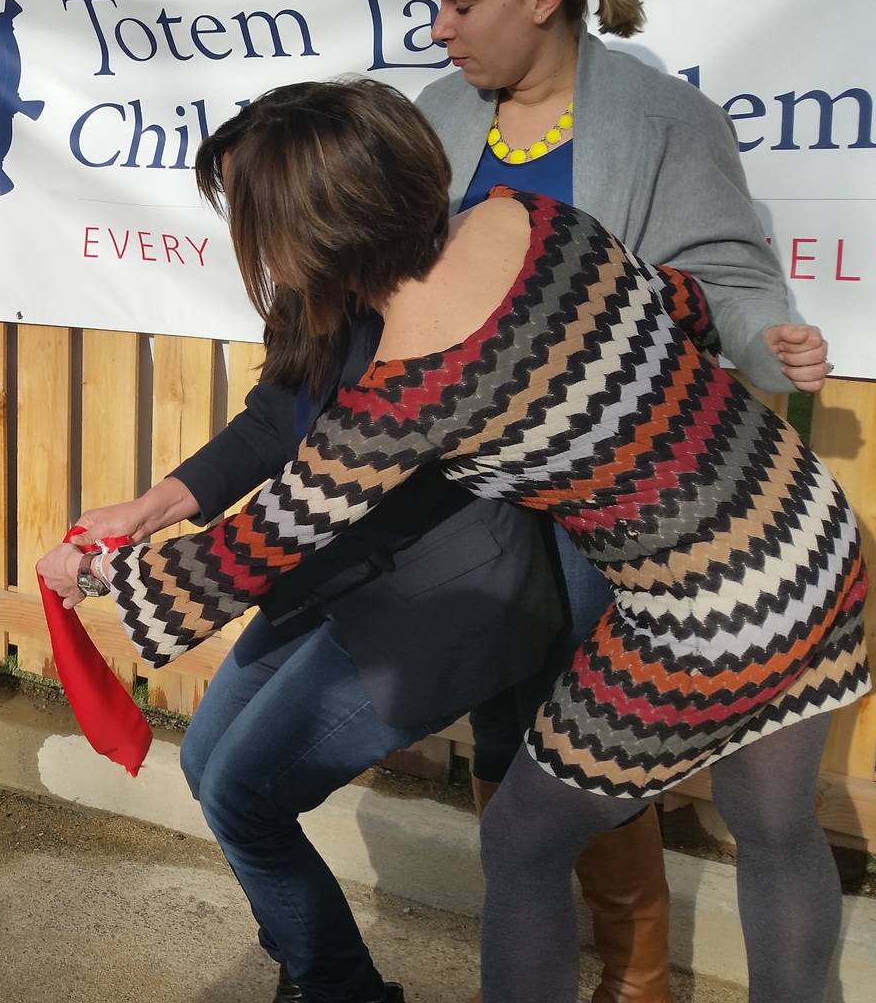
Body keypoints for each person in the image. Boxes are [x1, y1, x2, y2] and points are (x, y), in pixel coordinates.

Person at [45, 79, 868, 1003]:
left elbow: (254, 548)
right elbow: (681, 302)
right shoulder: (534, 218)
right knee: (773, 825)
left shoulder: (409, 391)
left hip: (709, 605)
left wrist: (98, 570)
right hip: (807, 526)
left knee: (521, 841)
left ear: (305, 232)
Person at [418, 0, 831, 1000]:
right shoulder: (437, 118)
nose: (438, 29)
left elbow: (724, 277)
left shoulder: (661, 123)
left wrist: (766, 335)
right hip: (482, 501)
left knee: (603, 750)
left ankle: (631, 971)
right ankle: (581, 960)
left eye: (458, 6)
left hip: (627, 515)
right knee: (509, 726)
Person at [52, 268, 563, 998]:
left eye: (257, 201)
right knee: (206, 760)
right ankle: (310, 955)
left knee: (242, 794)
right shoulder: (309, 287)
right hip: (338, 566)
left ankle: (337, 986)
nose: (253, 242)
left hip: (444, 589)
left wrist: (112, 574)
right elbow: (274, 417)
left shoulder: (425, 299)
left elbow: (307, 505)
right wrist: (146, 509)